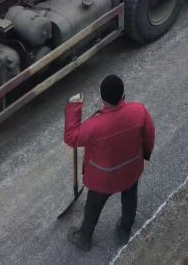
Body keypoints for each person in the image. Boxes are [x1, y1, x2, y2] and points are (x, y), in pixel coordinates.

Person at [65, 74, 155, 251]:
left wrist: (74, 107)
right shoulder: (139, 111)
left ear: (102, 99)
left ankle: (84, 238)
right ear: (123, 95)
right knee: (130, 198)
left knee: (93, 207)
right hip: (131, 170)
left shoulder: (94, 125)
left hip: (103, 180)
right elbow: (149, 135)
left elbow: (71, 138)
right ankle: (124, 230)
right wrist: (144, 156)